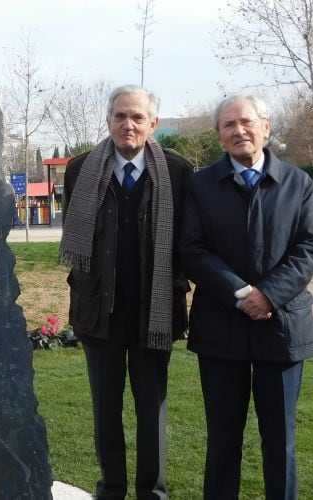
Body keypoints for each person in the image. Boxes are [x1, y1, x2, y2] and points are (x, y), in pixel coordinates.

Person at [178, 95, 313, 499]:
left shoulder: (298, 183)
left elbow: (309, 247)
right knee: (223, 440)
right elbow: (192, 249)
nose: (238, 130)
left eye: (246, 122)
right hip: (222, 331)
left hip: (282, 330)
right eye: (228, 125)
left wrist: (269, 296)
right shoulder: (201, 185)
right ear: (219, 136)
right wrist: (242, 293)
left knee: (280, 440)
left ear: (266, 126)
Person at [60, 85, 193, 500]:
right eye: (120, 116)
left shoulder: (178, 171)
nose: (128, 124)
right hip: (99, 310)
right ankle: (111, 489)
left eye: (137, 117)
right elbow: (76, 235)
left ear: (153, 123)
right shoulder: (80, 169)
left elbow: (188, 243)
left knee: (152, 409)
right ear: (108, 121)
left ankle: (153, 492)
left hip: (154, 310)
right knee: (105, 409)